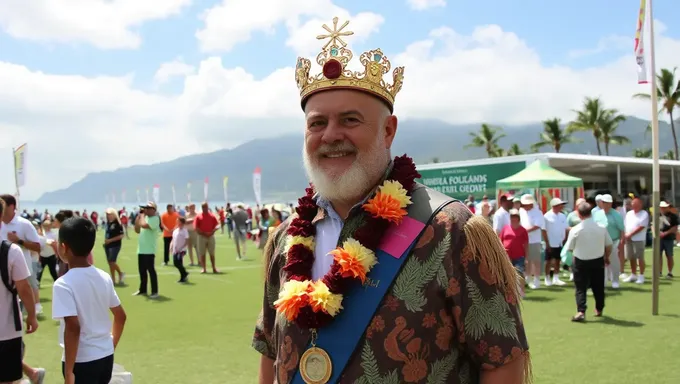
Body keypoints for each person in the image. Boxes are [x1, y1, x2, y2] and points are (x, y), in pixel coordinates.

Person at [252, 18, 529, 384]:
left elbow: (503, 361)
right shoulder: (286, 238)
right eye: (317, 123)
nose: (331, 135)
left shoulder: (452, 231)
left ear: (388, 130)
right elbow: (272, 355)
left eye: (350, 120)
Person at [52, 217, 127, 383]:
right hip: (105, 357)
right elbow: (120, 316)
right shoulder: (104, 277)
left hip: (82, 361)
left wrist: (69, 371)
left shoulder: (63, 284)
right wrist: (109, 346)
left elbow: (73, 327)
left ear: (64, 247)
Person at [0, 198, 44, 384]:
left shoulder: (13, 249)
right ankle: (32, 373)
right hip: (6, 327)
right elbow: (23, 288)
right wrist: (32, 315)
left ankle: (32, 373)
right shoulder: (10, 251)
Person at [564, 202, 613, 322]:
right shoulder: (601, 228)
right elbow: (609, 245)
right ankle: (599, 308)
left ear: (579, 214)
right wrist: (606, 256)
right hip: (597, 259)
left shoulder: (575, 230)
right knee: (598, 286)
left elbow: (569, 248)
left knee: (580, 287)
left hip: (580, 260)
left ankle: (581, 311)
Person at [0, 194, 43, 316]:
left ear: (12, 206)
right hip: (3, 272)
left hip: (22, 270)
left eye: (3, 205)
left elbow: (37, 247)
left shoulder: (24, 224)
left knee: (24, 297)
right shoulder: (0, 224)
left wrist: (19, 241)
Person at [592, 194, 625, 288]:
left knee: (614, 261)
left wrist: (621, 242)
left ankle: (615, 280)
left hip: (613, 241)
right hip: (600, 241)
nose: (607, 205)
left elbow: (621, 229)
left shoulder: (616, 214)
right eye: (605, 203)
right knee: (601, 262)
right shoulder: (596, 214)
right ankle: (603, 281)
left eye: (609, 203)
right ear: (601, 203)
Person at [133, 202, 161, 298]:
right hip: (141, 249)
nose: (146, 209)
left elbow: (144, 225)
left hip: (149, 250)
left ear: (154, 209)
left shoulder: (155, 219)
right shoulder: (144, 218)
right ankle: (143, 290)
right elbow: (137, 230)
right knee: (142, 271)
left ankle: (155, 292)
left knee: (151, 271)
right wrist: (138, 218)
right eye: (145, 208)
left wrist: (141, 217)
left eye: (148, 208)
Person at [500, 209, 528, 297]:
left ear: (518, 218)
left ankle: (522, 291)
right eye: (512, 217)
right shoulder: (505, 228)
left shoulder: (523, 230)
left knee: (519, 273)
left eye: (515, 217)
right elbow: (501, 241)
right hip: (507, 256)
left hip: (519, 255)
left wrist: (527, 257)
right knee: (507, 274)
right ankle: (509, 292)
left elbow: (526, 244)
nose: (514, 218)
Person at [519, 194, 545, 289]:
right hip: (524, 240)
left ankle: (537, 281)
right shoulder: (521, 211)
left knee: (535, 261)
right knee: (527, 261)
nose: (525, 206)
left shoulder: (538, 212)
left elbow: (538, 225)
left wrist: (524, 231)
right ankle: (528, 279)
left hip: (534, 240)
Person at [542, 198, 568, 286]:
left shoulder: (562, 216)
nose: (562, 206)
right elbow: (544, 230)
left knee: (557, 260)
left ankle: (556, 278)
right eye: (560, 205)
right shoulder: (547, 216)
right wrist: (547, 242)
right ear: (555, 206)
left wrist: (564, 239)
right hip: (550, 242)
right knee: (548, 261)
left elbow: (565, 228)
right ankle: (547, 277)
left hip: (559, 242)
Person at [623, 197, 649, 284]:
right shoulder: (629, 214)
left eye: (636, 205)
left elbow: (641, 226)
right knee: (631, 257)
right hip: (628, 238)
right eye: (633, 205)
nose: (634, 207)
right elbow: (625, 225)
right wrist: (625, 235)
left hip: (639, 239)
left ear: (640, 205)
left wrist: (630, 234)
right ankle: (633, 274)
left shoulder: (644, 214)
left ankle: (641, 276)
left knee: (640, 257)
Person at [194, 202, 220, 274]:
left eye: (205, 207)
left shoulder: (212, 216)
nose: (204, 208)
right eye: (203, 207)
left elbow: (217, 225)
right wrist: (204, 233)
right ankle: (204, 268)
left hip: (211, 236)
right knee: (202, 253)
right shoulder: (198, 216)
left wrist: (213, 231)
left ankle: (214, 268)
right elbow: (196, 228)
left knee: (212, 253)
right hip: (201, 237)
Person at [103, 208, 126, 285]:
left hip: (115, 245)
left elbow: (122, 235)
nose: (108, 216)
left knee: (112, 261)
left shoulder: (118, 224)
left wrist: (110, 240)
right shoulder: (108, 223)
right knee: (110, 262)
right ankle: (113, 279)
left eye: (110, 214)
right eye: (107, 214)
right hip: (107, 245)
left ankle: (120, 273)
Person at [37, 220, 59, 285]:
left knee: (53, 271)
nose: (47, 227)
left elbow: (55, 244)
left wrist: (56, 254)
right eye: (45, 226)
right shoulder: (41, 233)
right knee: (40, 271)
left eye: (48, 225)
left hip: (51, 255)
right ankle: (37, 284)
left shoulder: (53, 234)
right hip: (42, 255)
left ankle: (57, 283)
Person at [658, 201, 677, 278]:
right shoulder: (657, 215)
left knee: (669, 255)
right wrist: (656, 233)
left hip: (668, 238)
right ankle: (659, 271)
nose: (663, 208)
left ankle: (670, 272)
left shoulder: (673, 216)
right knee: (658, 255)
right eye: (662, 207)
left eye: (665, 207)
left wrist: (665, 233)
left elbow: (674, 228)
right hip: (659, 239)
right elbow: (652, 225)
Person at [170, 217, 190, 283]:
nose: (177, 222)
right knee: (176, 263)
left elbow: (187, 240)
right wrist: (171, 247)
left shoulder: (185, 231)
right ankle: (183, 275)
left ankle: (184, 274)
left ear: (181, 222)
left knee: (178, 262)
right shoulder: (175, 230)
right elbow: (173, 240)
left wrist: (182, 248)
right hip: (175, 250)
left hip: (182, 250)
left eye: (178, 221)